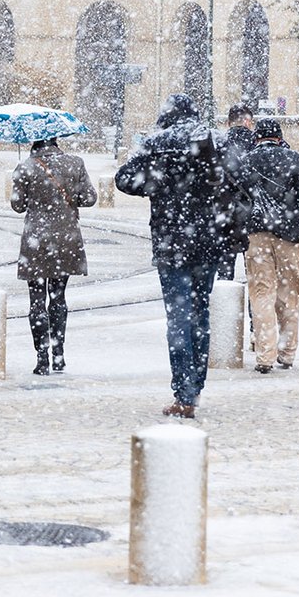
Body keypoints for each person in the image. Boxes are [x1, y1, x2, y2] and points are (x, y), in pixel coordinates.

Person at [115, 93, 223, 419]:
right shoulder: (212, 141)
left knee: (179, 318)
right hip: (208, 242)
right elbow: (233, 180)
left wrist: (157, 181)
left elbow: (124, 179)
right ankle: (196, 388)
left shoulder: (157, 144)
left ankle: (183, 393)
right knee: (201, 316)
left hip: (172, 243)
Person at [11, 137, 97, 375]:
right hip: (65, 238)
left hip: (36, 242)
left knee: (36, 300)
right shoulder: (75, 163)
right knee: (58, 297)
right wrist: (68, 198)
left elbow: (17, 205)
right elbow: (89, 198)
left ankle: (41, 359)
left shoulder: (26, 166)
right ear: (56, 140)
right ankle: (59, 355)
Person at [244, 117, 299, 373]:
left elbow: (240, 200)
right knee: (289, 294)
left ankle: (265, 355)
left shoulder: (248, 160)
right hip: (290, 236)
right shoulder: (294, 159)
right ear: (279, 137)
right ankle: (287, 352)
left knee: (261, 293)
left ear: (257, 137)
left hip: (257, 235)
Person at [214, 103, 256, 282]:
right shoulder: (258, 145)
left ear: (228, 123)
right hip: (255, 215)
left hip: (225, 214)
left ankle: (225, 308)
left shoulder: (218, 145)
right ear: (248, 122)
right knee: (256, 273)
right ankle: (255, 309)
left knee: (225, 270)